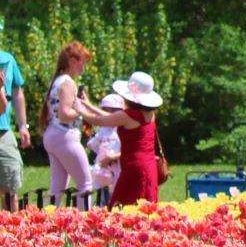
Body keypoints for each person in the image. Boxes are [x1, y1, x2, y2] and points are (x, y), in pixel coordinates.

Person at [79, 71, 163, 206]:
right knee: (145, 211)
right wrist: (88, 105)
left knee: (120, 208)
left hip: (133, 168)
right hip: (149, 166)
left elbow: (101, 120)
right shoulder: (150, 114)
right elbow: (108, 117)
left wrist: (79, 109)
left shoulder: (128, 115)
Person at [42, 41, 97, 204]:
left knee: (57, 188)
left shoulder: (57, 80)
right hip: (65, 136)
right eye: (82, 62)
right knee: (85, 184)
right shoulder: (68, 83)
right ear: (72, 61)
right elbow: (65, 114)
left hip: (52, 135)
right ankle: (86, 225)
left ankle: (47, 224)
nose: (83, 67)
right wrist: (80, 109)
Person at [0, 38, 27, 209]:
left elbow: (16, 94)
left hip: (4, 133)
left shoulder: (7, 60)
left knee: (10, 188)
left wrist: (23, 125)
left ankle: (13, 232)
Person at [88, 93, 124, 195]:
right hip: (104, 169)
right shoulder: (104, 128)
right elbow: (93, 144)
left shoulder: (124, 129)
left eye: (115, 111)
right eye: (106, 110)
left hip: (120, 168)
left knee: (117, 196)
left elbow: (130, 150)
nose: (110, 113)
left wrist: (112, 156)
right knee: (102, 196)